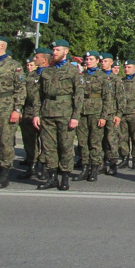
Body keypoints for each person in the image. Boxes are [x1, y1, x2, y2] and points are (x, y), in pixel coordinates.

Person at [33, 40, 83, 191]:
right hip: (47, 112)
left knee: (66, 146)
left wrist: (75, 116)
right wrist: (36, 114)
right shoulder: (46, 71)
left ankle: (65, 177)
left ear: (65, 52)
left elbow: (79, 94)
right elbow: (38, 94)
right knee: (48, 147)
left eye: (57, 50)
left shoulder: (73, 70)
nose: (54, 52)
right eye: (53, 50)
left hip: (65, 112)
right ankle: (52, 177)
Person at [0, 36, 26, 188]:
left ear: (1, 46)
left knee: (5, 141)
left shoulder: (13, 65)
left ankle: (4, 173)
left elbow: (21, 89)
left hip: (6, 106)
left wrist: (17, 109)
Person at [72, 51, 113, 182]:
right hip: (82, 112)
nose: (88, 61)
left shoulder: (102, 77)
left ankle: (94, 168)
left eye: (91, 59)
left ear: (97, 61)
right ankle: (84, 168)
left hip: (96, 112)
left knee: (95, 142)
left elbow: (107, 98)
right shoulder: (80, 76)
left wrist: (103, 116)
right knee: (82, 142)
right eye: (87, 59)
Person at [18, 48, 51, 180]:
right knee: (29, 141)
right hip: (29, 111)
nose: (34, 59)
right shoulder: (30, 76)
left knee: (46, 141)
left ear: (44, 59)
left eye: (36, 57)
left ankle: (43, 167)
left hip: (45, 112)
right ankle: (31, 166)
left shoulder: (50, 74)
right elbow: (23, 94)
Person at [117, 59, 135, 170]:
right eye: (125, 67)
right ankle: (124, 159)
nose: (126, 69)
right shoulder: (121, 81)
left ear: (134, 68)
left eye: (129, 67)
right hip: (123, 113)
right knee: (122, 138)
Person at [100, 53, 124, 175]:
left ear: (110, 63)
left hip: (112, 113)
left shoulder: (116, 79)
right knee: (100, 139)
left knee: (111, 139)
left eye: (105, 61)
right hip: (99, 113)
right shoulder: (98, 77)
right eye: (102, 61)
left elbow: (121, 98)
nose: (102, 63)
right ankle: (102, 163)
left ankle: (113, 163)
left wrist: (118, 114)